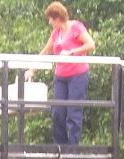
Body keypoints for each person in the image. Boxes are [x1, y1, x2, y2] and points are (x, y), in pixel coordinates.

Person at [25, 2, 95, 146]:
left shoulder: (76, 27)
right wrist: (32, 68)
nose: (49, 22)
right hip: (61, 76)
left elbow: (91, 44)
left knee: (73, 112)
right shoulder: (56, 33)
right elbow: (46, 50)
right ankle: (59, 146)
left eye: (51, 18)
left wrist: (72, 52)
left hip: (77, 75)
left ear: (57, 18)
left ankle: (72, 147)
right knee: (58, 112)